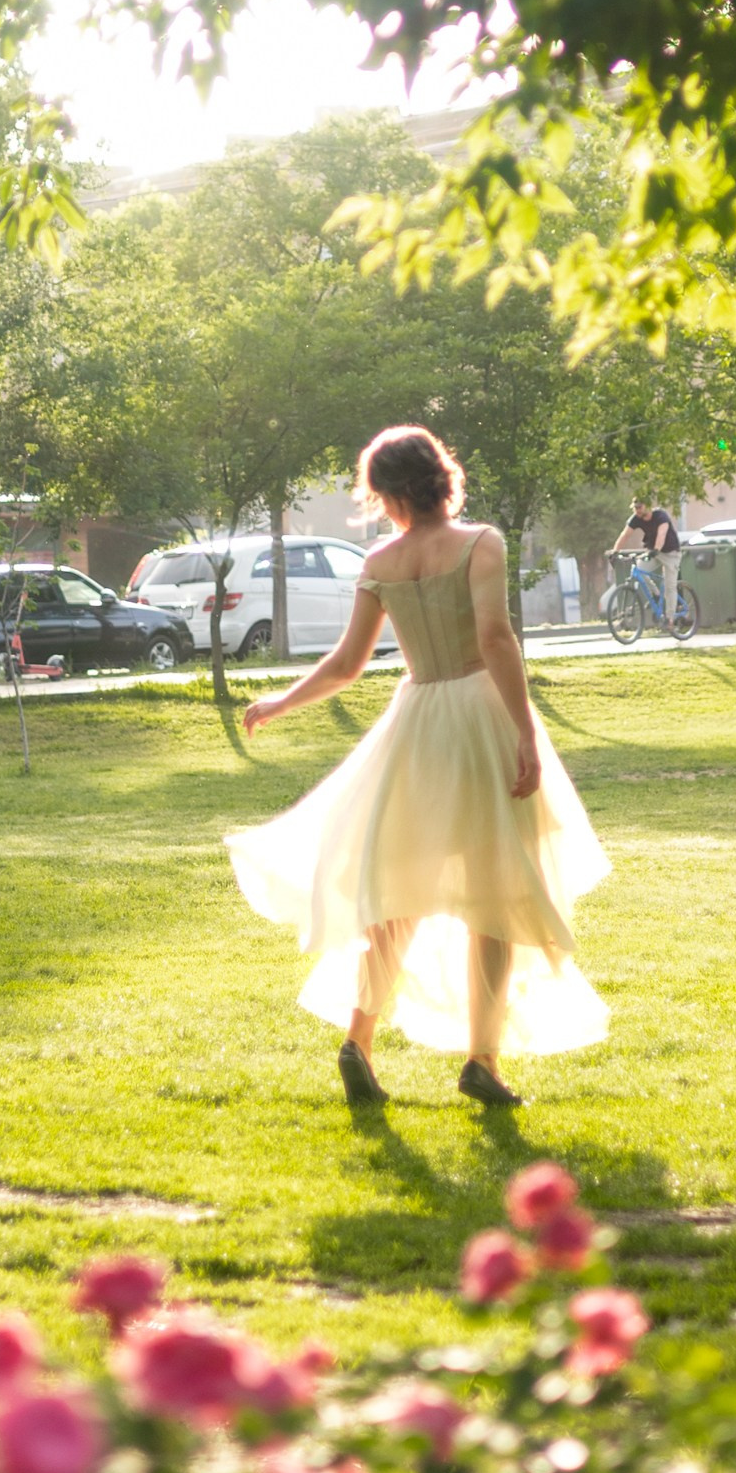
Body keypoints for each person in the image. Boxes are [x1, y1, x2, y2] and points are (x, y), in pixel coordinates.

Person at [231, 423, 610, 1111]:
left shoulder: (379, 562)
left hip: (415, 723)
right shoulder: (481, 543)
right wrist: (525, 731)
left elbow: (347, 666)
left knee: (396, 892)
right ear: (441, 477)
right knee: (497, 892)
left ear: (387, 493)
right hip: (479, 715)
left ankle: (358, 1041)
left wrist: (280, 701)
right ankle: (482, 1059)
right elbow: (495, 638)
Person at [610, 495, 683, 623]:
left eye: (639, 507)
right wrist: (615, 551)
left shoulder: (661, 516)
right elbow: (625, 535)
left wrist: (656, 549)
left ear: (648, 506)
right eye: (635, 507)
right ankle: (655, 594)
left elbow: (662, 534)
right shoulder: (636, 519)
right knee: (639, 570)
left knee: (669, 586)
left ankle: (670, 618)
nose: (637, 510)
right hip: (653, 552)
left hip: (671, 553)